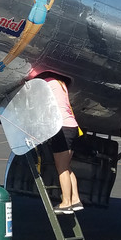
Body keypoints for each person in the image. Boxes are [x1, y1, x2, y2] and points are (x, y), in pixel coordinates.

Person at [46, 76, 81, 215]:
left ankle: (66, 203)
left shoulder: (47, 82)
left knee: (61, 170)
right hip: (72, 126)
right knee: (67, 167)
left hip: (61, 128)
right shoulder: (61, 84)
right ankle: (75, 199)